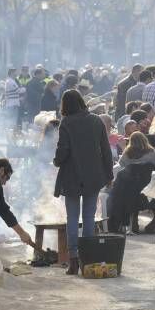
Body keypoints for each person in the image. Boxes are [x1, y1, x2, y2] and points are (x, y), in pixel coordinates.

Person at [54, 90, 113, 275]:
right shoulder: (96, 120)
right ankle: (88, 259)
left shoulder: (66, 123)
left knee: (72, 218)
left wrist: (56, 161)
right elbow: (106, 150)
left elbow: (62, 151)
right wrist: (109, 175)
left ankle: (73, 261)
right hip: (93, 177)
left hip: (71, 177)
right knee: (89, 218)